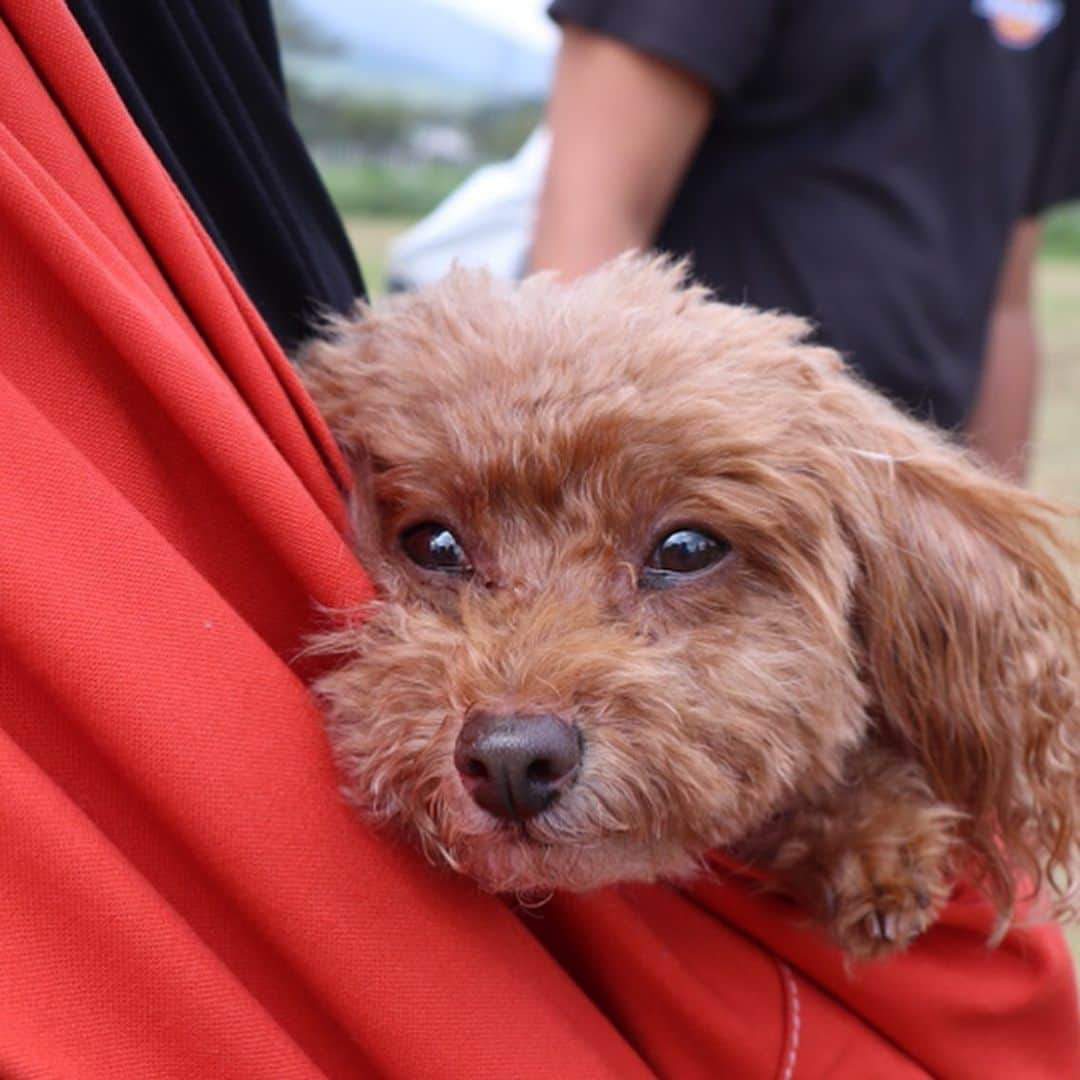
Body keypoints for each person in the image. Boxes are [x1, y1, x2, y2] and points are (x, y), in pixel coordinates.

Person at [1, 2, 1076, 1075]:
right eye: (435, 550)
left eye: (682, 555)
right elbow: (593, 188)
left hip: (841, 434)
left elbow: (1010, 296)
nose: (521, 714)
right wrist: (580, 361)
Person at [532, 1, 1080, 482]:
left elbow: (1006, 298)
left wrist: (998, 547)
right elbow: (588, 221)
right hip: (705, 500)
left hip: (905, 499)